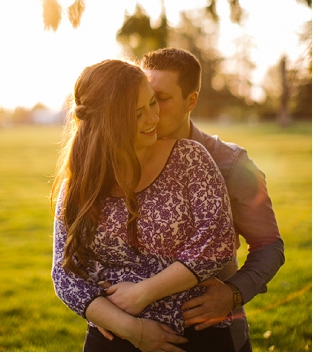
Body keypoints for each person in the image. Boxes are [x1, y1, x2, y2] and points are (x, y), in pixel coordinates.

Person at [51, 59, 237, 351]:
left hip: (196, 337)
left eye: (153, 103)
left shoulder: (189, 159)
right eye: (138, 114)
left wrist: (142, 293)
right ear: (109, 123)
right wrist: (132, 329)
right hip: (113, 340)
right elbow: (65, 275)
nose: (153, 118)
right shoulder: (80, 186)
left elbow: (218, 241)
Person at [139, 47, 285, 352]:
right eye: (144, 97)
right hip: (138, 333)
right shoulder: (127, 157)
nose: (149, 109)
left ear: (191, 100)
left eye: (161, 99)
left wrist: (233, 293)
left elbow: (269, 245)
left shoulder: (231, 163)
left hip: (212, 333)